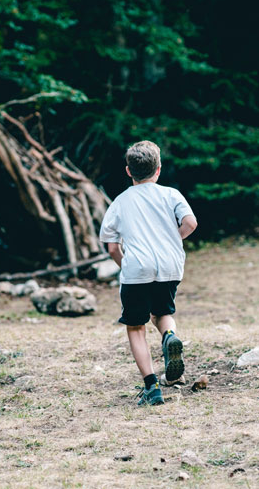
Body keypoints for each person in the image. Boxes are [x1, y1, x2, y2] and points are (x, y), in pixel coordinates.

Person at [99, 141, 197, 406]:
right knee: (163, 313)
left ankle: (152, 387)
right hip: (169, 265)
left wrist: (125, 264)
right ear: (159, 169)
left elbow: (111, 246)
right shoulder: (171, 194)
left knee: (135, 326)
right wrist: (173, 240)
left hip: (137, 269)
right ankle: (169, 338)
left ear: (128, 171)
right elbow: (190, 222)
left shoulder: (120, 202)